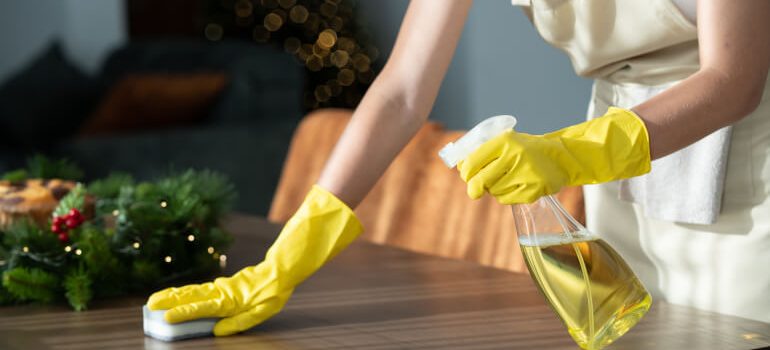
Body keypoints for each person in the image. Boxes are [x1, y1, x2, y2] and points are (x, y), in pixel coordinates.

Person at [147, 0, 770, 335]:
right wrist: (287, 258)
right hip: (623, 167)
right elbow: (402, 92)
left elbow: (732, 79)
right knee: (628, 331)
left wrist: (574, 152)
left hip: (748, 160)